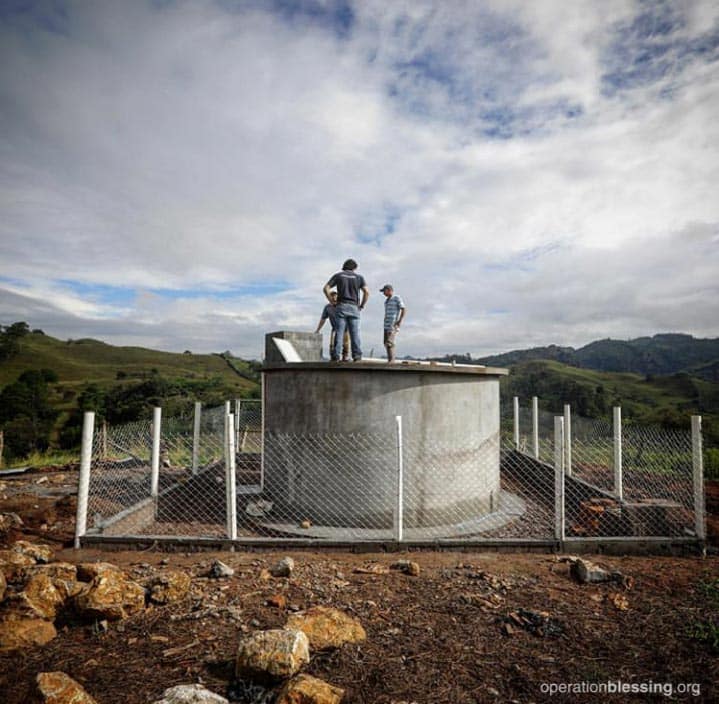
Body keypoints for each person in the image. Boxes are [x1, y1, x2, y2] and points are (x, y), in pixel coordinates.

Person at [323, 258, 369, 361]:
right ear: (355, 267)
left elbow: (325, 288)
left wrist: (332, 301)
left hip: (341, 306)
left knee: (339, 332)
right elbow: (366, 292)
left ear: (344, 267)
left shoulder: (338, 276)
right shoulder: (359, 277)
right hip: (354, 307)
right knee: (355, 333)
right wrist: (362, 305)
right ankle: (357, 356)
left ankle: (336, 355)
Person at [314, 291, 349, 361]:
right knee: (332, 345)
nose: (334, 299)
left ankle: (345, 357)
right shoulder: (327, 308)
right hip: (335, 329)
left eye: (335, 297)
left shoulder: (342, 305)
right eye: (332, 297)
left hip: (345, 328)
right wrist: (318, 330)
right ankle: (333, 358)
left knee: (345, 344)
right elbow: (323, 319)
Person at [379, 284, 406, 363]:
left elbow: (403, 309)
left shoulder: (396, 298)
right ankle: (390, 359)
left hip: (393, 324)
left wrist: (399, 321)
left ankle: (391, 361)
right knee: (385, 342)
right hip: (386, 324)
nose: (383, 293)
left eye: (384, 291)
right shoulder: (386, 301)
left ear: (388, 290)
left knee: (389, 342)